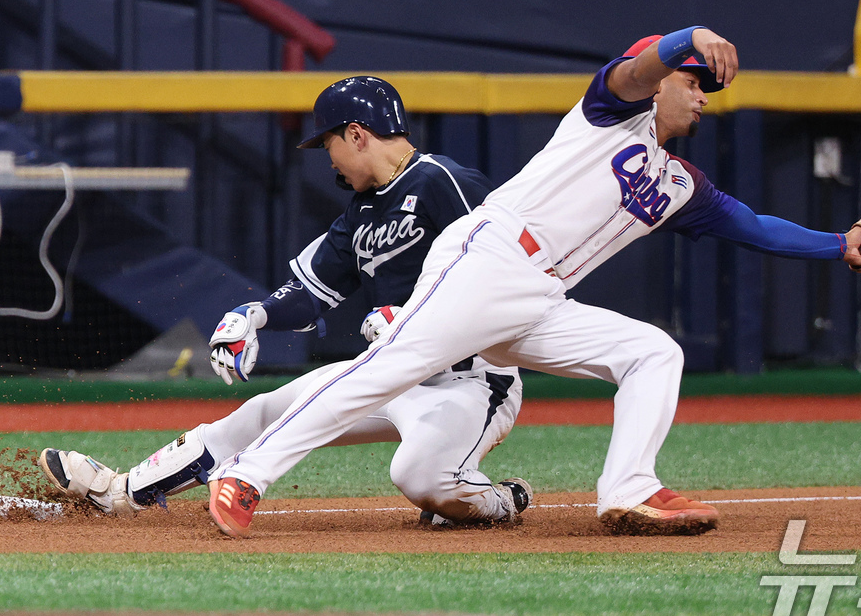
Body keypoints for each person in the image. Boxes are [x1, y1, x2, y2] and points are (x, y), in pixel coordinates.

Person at [202, 25, 861, 539]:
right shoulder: (610, 111)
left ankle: (629, 491)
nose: (703, 98)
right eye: (694, 83)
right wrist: (686, 38)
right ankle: (246, 475)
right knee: (389, 369)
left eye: (704, 87)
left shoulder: (677, 182)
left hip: (539, 293)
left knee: (653, 352)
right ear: (660, 80)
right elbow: (635, 69)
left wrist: (839, 245)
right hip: (491, 258)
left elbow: (754, 226)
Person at [38, 77, 530, 527]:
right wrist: (253, 315)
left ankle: (502, 501)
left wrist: (416, 318)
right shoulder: (363, 209)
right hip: (391, 370)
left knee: (422, 481)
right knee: (262, 413)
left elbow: (504, 274)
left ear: (357, 134)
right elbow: (310, 293)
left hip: (473, 380)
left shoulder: (446, 183)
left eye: (329, 144)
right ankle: (121, 493)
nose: (329, 159)